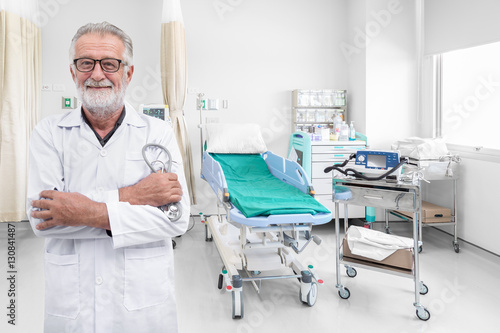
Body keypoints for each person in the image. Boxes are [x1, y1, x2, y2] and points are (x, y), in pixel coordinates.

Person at [26, 22, 189, 333]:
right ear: (73, 72)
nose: (97, 74)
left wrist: (81, 211)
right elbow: (42, 219)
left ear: (127, 73)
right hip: (75, 306)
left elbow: (176, 220)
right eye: (86, 63)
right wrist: (135, 197)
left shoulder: (158, 133)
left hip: (143, 306)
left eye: (109, 64)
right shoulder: (48, 133)